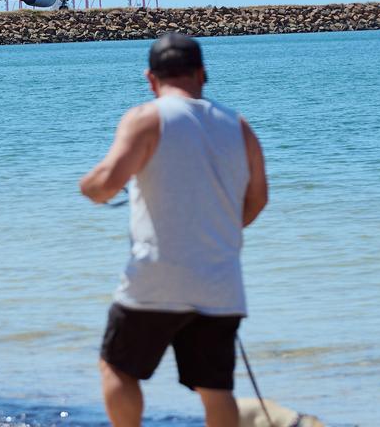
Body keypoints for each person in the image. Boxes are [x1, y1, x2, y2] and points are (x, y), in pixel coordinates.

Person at [80, 33, 270, 427]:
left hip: (156, 276)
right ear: (203, 74)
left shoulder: (146, 117)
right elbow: (258, 199)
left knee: (117, 368)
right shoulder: (239, 125)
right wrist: (220, 230)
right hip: (220, 279)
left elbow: (105, 184)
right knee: (215, 388)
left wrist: (88, 187)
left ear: (151, 79)